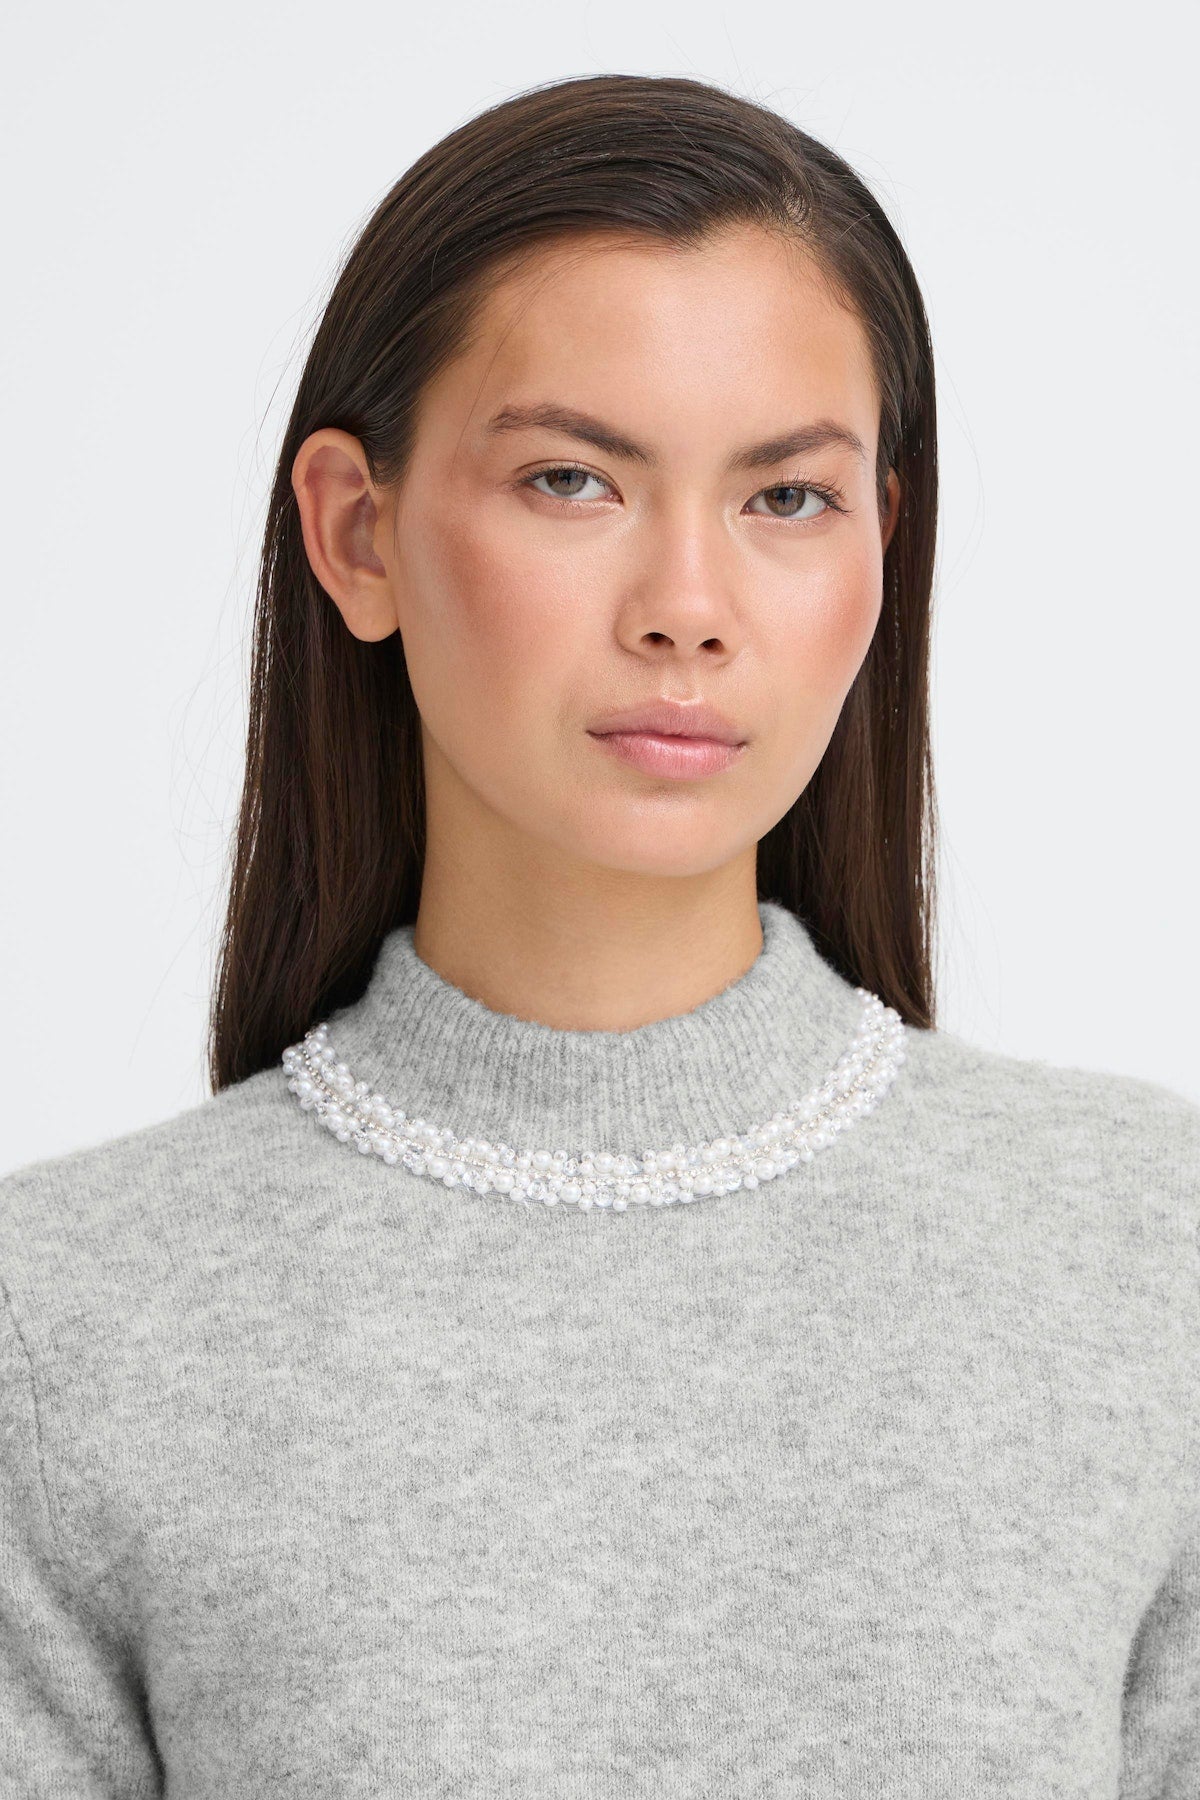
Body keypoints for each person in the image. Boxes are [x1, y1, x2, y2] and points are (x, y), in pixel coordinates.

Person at [1, 71, 1196, 1799]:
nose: (687, 611)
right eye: (573, 480)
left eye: (786, 499)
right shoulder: (60, 1327)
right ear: (357, 533)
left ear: (885, 543)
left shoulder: (1151, 1257)